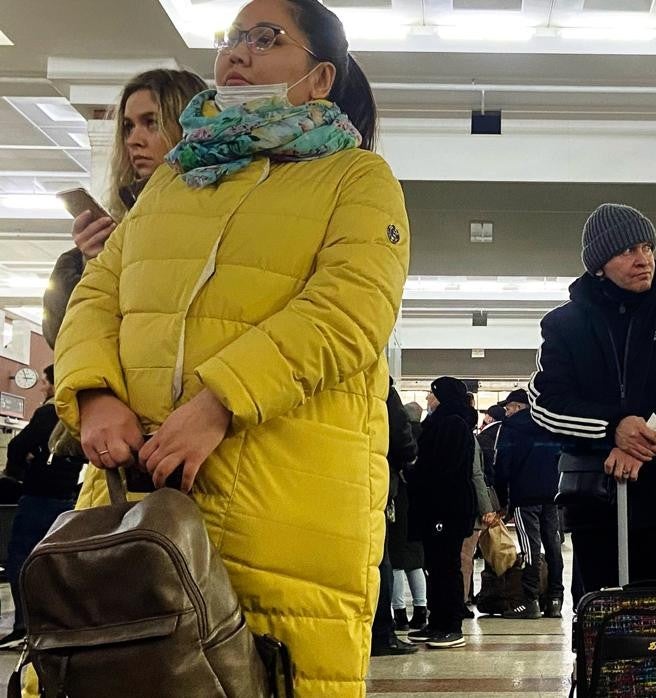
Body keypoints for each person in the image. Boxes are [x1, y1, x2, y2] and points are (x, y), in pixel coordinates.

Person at [53, 0, 409, 693]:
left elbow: (350, 310)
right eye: (232, 39)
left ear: (319, 77)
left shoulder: (356, 181)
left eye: (266, 38)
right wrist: (92, 395)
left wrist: (217, 404)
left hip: (281, 508)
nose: (237, 53)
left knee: (262, 673)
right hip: (133, 498)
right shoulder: (169, 188)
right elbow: (98, 297)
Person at [528, 203, 656, 592]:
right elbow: (545, 403)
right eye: (627, 251)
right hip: (599, 507)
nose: (643, 259)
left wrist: (643, 435)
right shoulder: (564, 325)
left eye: (646, 247)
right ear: (598, 265)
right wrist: (612, 428)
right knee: (606, 632)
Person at [42, 68, 207, 349]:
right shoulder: (105, 241)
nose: (134, 139)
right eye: (128, 126)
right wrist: (93, 265)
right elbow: (63, 338)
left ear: (191, 127)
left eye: (151, 123)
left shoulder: (224, 219)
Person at [1, 366, 83, 650]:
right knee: (56, 562)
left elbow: (17, 446)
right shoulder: (80, 413)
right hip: (68, 500)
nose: (42, 388)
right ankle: (55, 624)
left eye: (45, 382)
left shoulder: (49, 413)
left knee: (20, 559)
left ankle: (24, 625)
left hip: (39, 498)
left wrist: (22, 468)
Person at [409, 377, 485, 649]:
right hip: (436, 506)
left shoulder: (452, 424)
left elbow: (446, 469)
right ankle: (437, 620)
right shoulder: (439, 422)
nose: (429, 399)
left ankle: (452, 625)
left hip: (447, 507)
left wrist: (418, 472)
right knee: (436, 565)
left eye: (432, 394)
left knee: (447, 565)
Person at [494, 389, 565, 619]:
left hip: (525, 497)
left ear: (518, 407)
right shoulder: (549, 425)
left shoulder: (510, 429)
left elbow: (502, 466)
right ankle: (555, 600)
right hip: (552, 494)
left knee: (530, 547)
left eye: (508, 408)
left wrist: (502, 501)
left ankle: (530, 600)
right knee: (553, 544)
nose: (507, 412)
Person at [372, 382, 420, 656]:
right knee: (380, 557)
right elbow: (403, 440)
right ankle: (382, 633)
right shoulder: (382, 387)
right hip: (375, 479)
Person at [391, 402, 427, 635]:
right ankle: (421, 610)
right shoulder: (429, 434)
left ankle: (400, 613)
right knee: (416, 560)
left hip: (399, 501)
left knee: (395, 560)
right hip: (421, 503)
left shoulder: (397, 439)